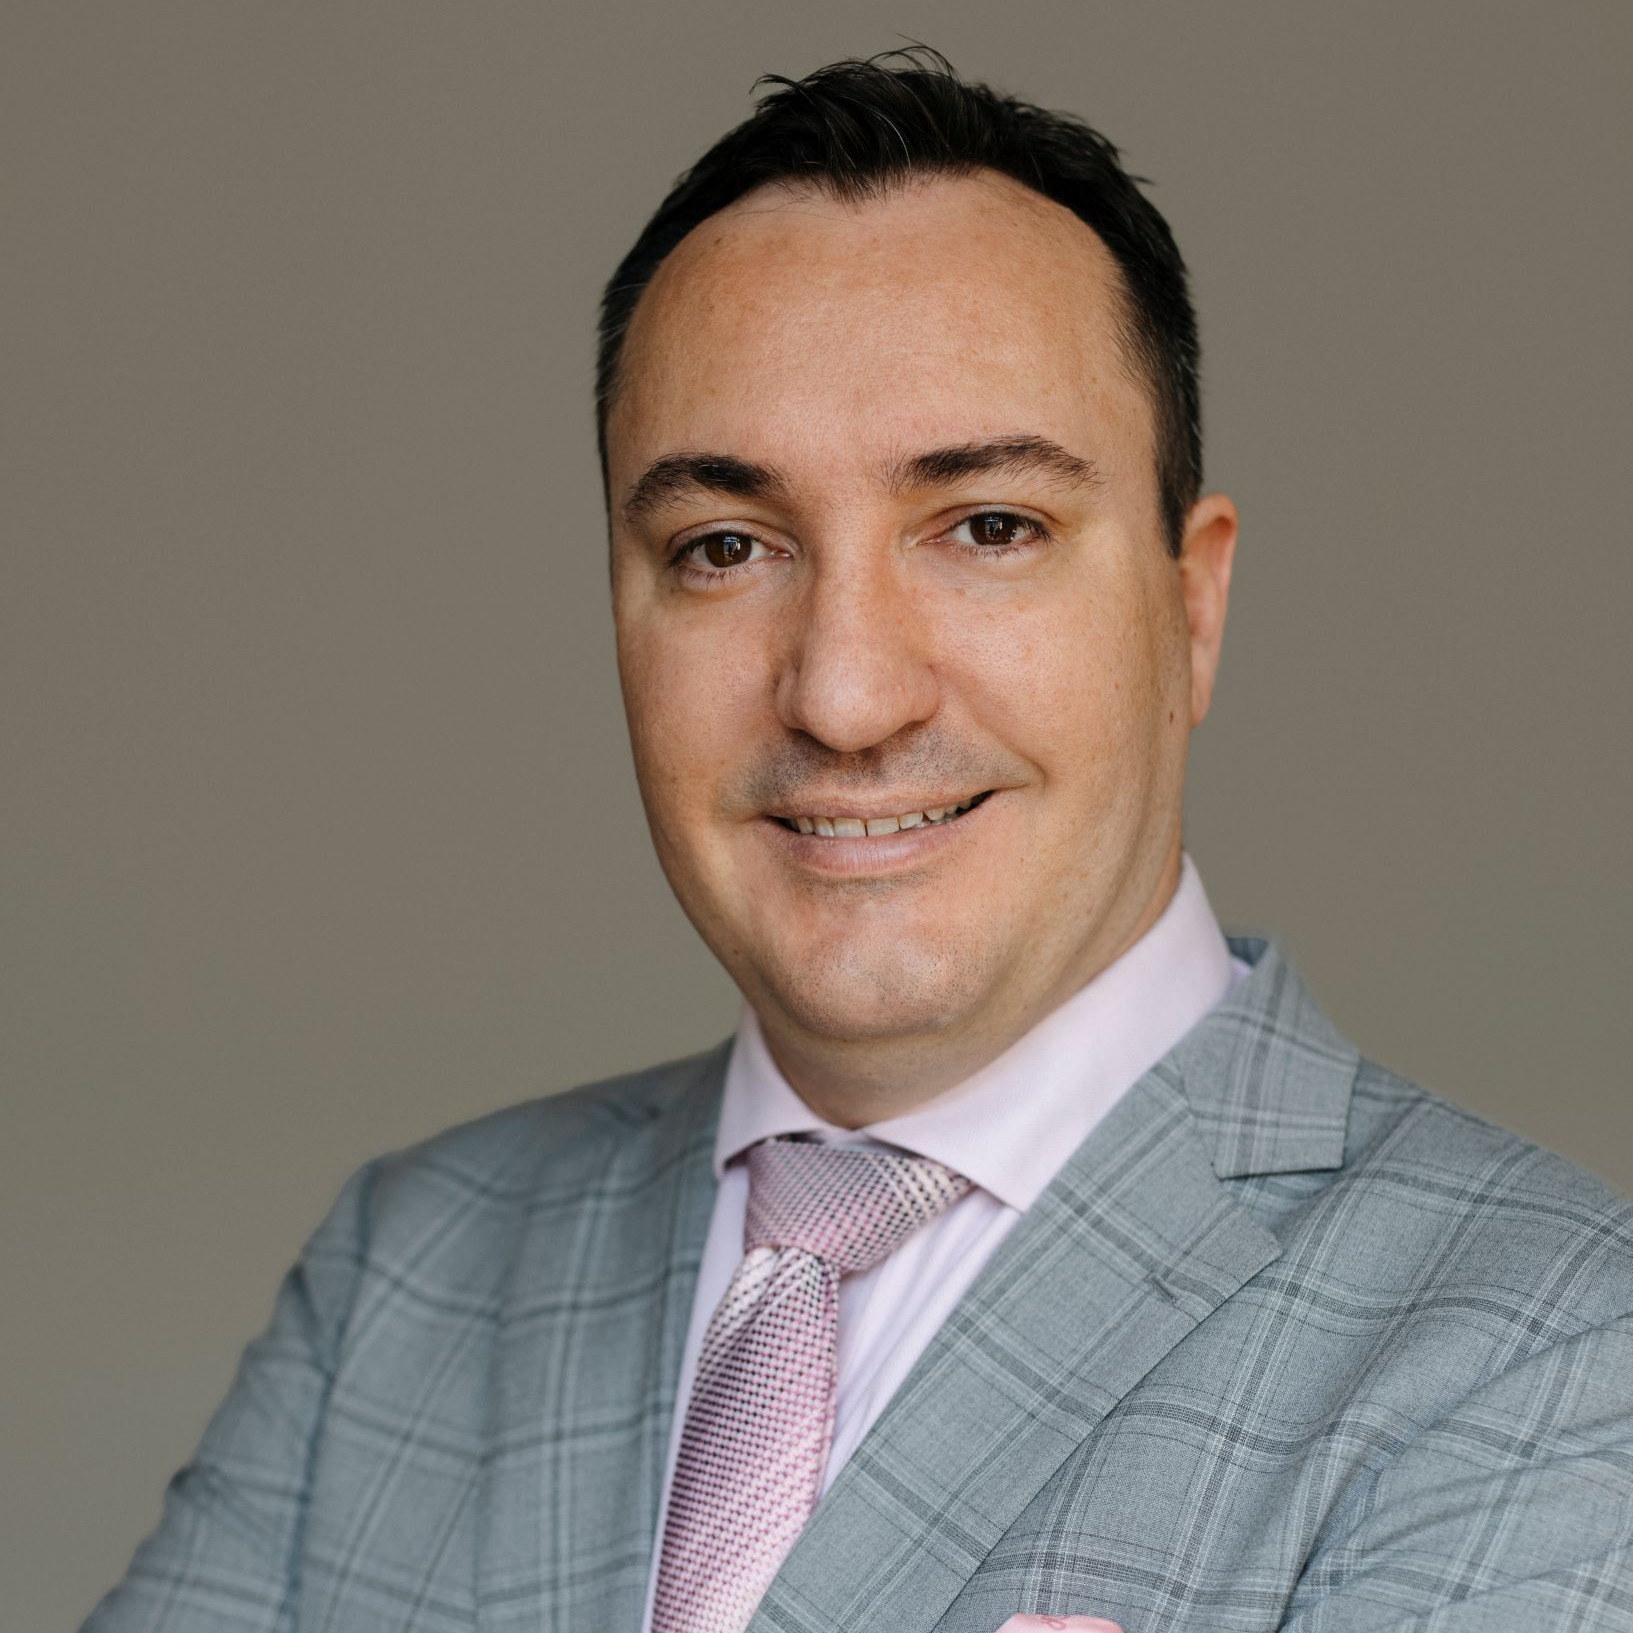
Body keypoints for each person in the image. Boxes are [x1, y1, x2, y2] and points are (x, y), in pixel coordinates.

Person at [84, 49, 1633, 1633]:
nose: (840, 692)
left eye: (986, 527)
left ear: (1191, 603)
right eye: (725, 546)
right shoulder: (413, 1272)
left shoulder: (1551, 1347)